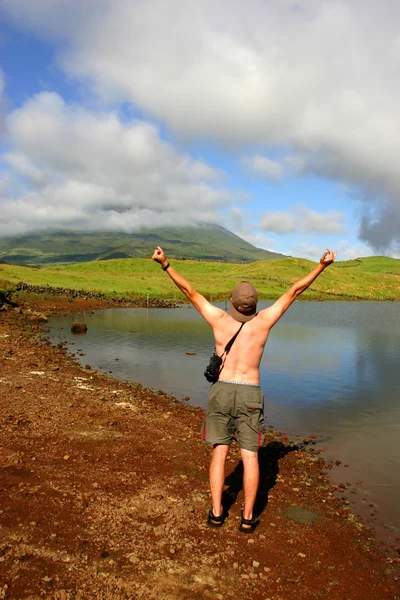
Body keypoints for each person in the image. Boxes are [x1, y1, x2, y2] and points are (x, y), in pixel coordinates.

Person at [152, 246, 336, 533]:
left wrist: (165, 265)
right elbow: (294, 292)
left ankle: (216, 513)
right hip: (251, 391)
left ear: (231, 302)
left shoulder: (219, 320)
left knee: (219, 451)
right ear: (255, 305)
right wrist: (322, 266)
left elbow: (189, 292)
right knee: (250, 455)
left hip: (222, 390)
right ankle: (248, 518)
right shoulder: (263, 323)